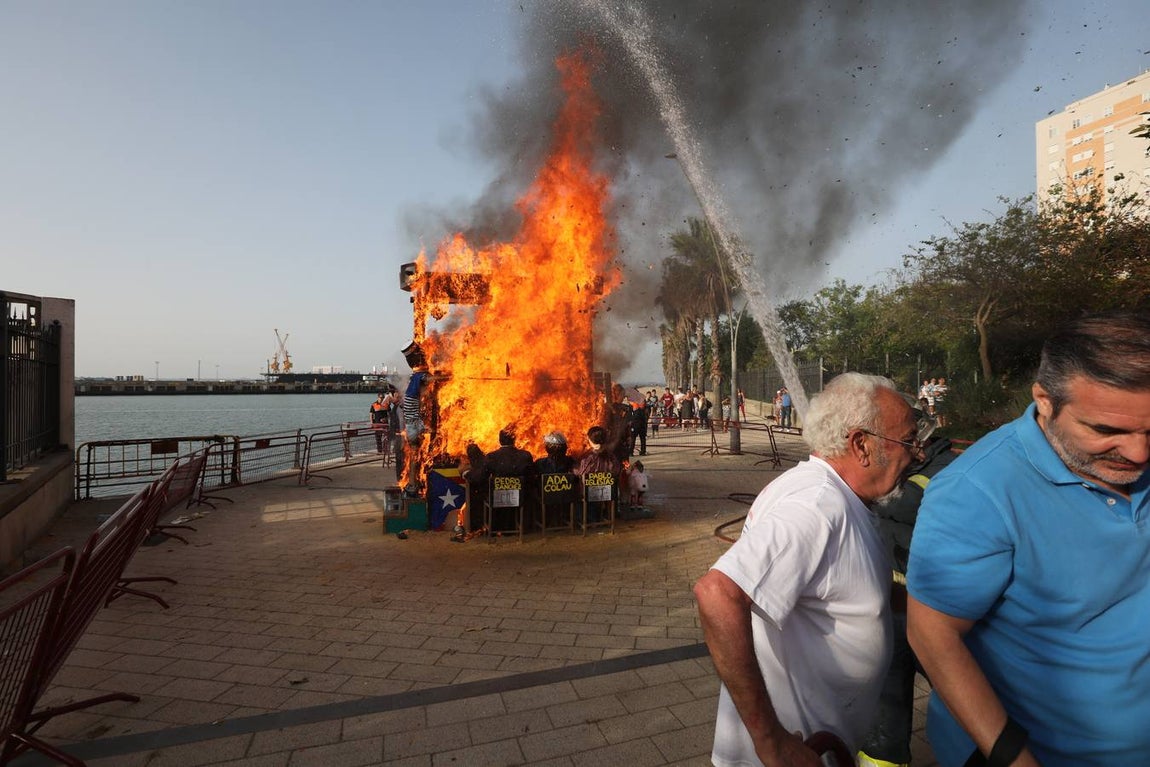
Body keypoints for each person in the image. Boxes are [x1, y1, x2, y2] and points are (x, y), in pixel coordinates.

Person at [906, 310, 1150, 766]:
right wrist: (1013, 760)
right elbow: (932, 634)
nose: (1138, 453)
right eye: (1105, 430)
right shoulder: (978, 490)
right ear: (1044, 400)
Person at [694, 372, 922, 767]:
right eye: (907, 440)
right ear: (862, 445)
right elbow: (717, 593)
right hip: (798, 752)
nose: (917, 454)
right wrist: (772, 742)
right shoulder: (817, 505)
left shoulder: (842, 499)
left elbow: (844, 587)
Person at [858, 433, 959, 767]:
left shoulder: (944, 467)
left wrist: (863, 486)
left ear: (920, 440)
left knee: (956, 689)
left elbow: (905, 503)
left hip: (929, 607)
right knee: (886, 696)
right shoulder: (908, 464)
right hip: (892, 602)